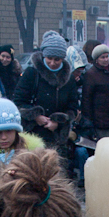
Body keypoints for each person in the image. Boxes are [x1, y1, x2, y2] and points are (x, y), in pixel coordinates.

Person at [13, 31, 78, 168]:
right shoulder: (32, 74)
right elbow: (19, 101)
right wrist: (36, 116)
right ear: (43, 55)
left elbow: (72, 107)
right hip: (32, 134)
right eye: (49, 58)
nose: (52, 63)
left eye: (57, 59)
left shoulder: (69, 79)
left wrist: (58, 122)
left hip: (57, 137)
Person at [81, 44, 109, 139]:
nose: (105, 59)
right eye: (102, 57)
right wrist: (88, 120)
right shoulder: (91, 74)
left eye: (107, 57)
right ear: (96, 59)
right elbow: (86, 98)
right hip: (100, 119)